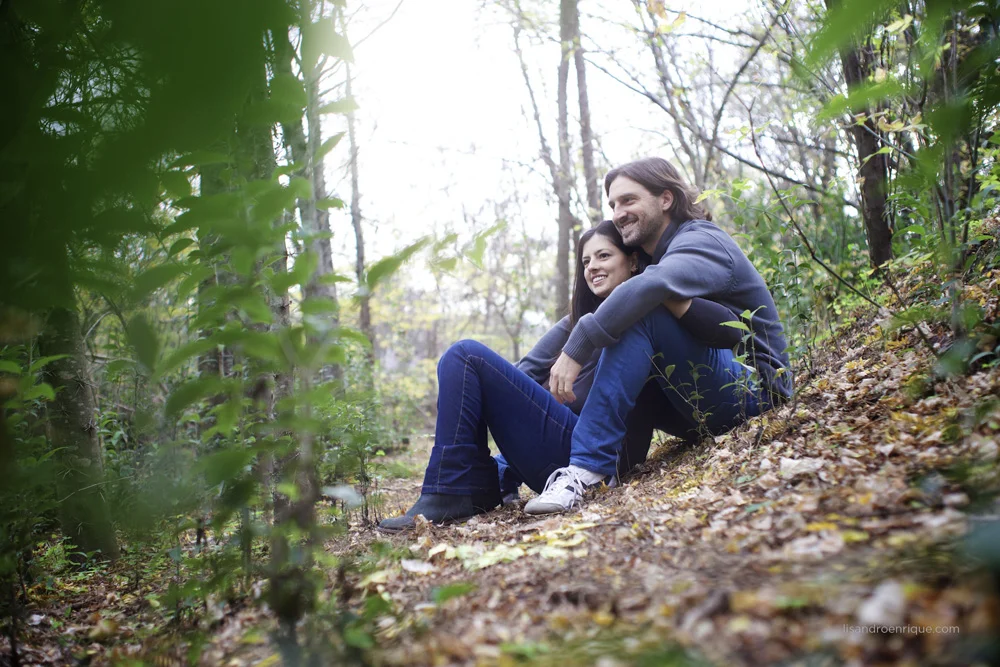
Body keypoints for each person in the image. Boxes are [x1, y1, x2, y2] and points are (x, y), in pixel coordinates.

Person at [379, 220, 742, 531]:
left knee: (466, 353)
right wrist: (507, 466)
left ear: (633, 262)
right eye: (585, 261)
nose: (592, 267)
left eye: (603, 256)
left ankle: (454, 489)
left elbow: (725, 333)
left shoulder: (649, 315)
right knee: (461, 358)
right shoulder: (574, 324)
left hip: (599, 459)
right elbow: (518, 378)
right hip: (560, 458)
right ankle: (468, 486)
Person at [522, 157, 792, 516]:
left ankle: (586, 468)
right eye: (613, 204)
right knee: (636, 308)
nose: (619, 213)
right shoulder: (658, 260)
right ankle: (513, 470)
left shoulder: (700, 239)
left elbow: (653, 286)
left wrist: (578, 346)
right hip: (693, 406)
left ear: (665, 199)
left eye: (629, 200)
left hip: (757, 391)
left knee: (641, 308)